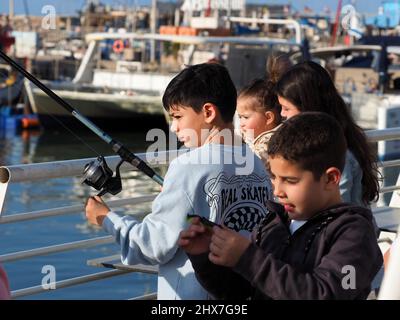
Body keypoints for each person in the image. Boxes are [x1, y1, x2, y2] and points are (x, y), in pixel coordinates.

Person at [85, 63, 273, 300]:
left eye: (177, 116)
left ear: (208, 112)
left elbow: (153, 246)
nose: (173, 127)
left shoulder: (186, 166)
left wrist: (106, 218)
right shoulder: (255, 161)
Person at [179, 112, 383, 299]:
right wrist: (204, 258)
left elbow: (326, 293)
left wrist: (248, 258)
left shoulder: (355, 234)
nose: (277, 190)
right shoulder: (272, 224)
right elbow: (240, 291)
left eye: (291, 180)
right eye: (274, 178)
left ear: (330, 179)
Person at [275, 61, 380, 209]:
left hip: (346, 229)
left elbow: (338, 205)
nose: (282, 114)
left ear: (307, 107)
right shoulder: (339, 140)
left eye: (286, 108)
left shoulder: (337, 152)